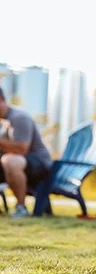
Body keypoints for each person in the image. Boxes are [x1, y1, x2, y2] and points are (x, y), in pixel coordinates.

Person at [0, 88, 53, 218]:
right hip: (19, 162)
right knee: (7, 160)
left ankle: (21, 208)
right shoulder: (3, 121)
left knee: (10, 161)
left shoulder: (19, 118)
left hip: (38, 164)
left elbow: (22, 149)